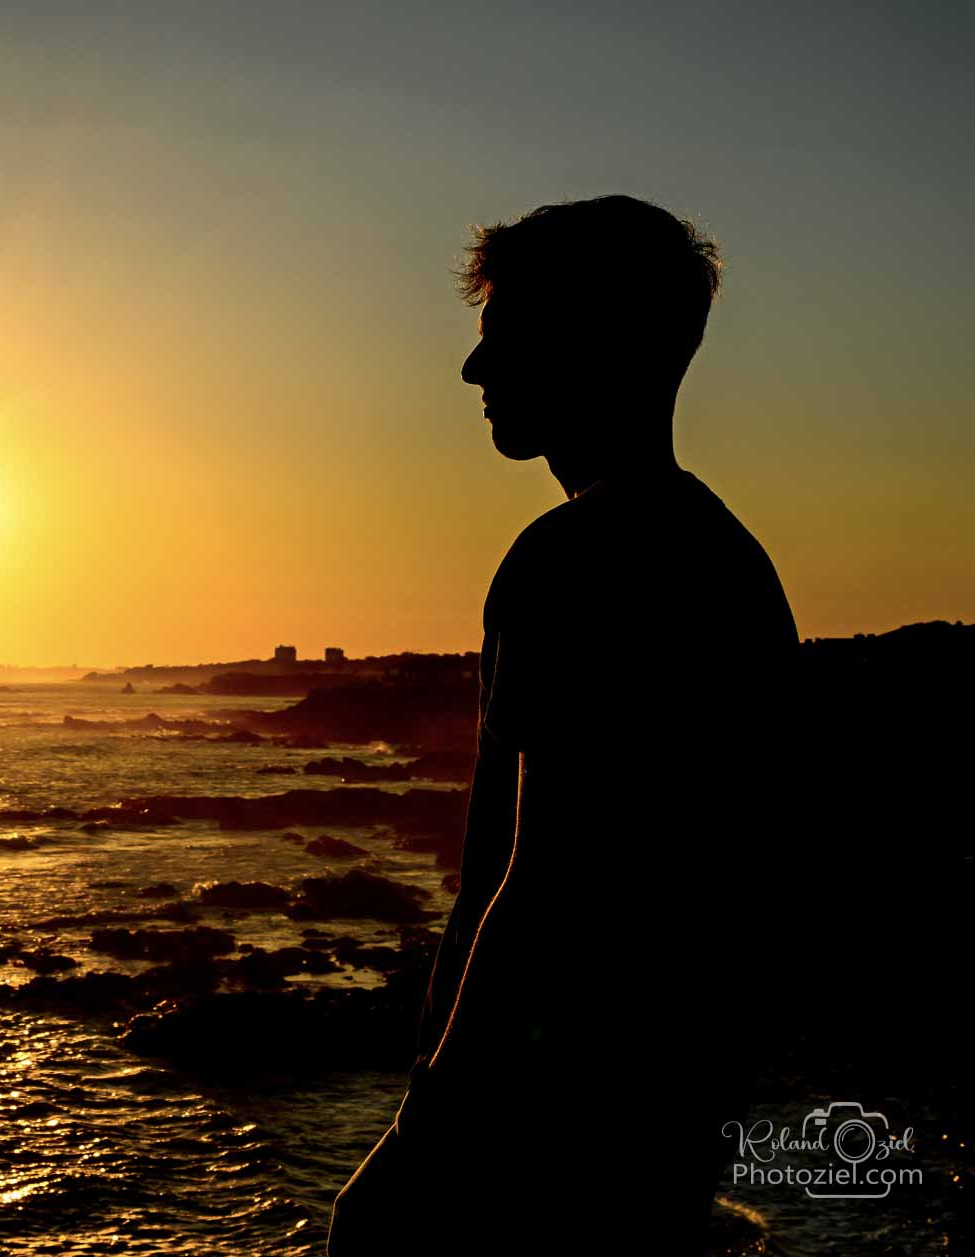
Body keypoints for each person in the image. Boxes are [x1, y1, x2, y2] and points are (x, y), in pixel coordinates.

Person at [327, 195, 802, 1254]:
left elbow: (540, 881)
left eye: (500, 339)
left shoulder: (574, 559)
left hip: (538, 1136)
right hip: (661, 1123)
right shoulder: (729, 560)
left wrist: (421, 1137)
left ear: (588, 343)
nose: (472, 372)